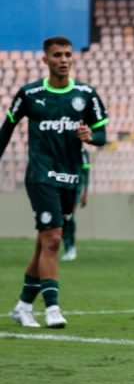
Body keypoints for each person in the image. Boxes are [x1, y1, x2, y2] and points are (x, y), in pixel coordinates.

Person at [1, 36, 109, 329]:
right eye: (57, 55)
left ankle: (23, 306)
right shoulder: (30, 93)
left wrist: (90, 137)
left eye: (68, 55)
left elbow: (102, 136)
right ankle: (52, 309)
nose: (63, 59)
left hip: (70, 178)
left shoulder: (86, 94)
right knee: (53, 240)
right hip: (40, 175)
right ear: (45, 60)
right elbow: (7, 128)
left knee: (44, 243)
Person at [60, 146, 91, 262]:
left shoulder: (82, 151)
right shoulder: (62, 146)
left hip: (75, 188)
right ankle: (66, 246)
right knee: (61, 218)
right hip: (60, 185)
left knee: (69, 216)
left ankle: (71, 248)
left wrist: (85, 192)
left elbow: (86, 172)